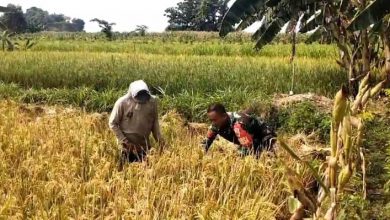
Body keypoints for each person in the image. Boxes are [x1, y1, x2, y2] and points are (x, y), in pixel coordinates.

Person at [109, 80, 163, 168]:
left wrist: (160, 141)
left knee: (144, 172)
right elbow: (113, 123)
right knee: (125, 172)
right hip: (126, 146)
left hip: (143, 145)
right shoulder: (122, 103)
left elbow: (154, 123)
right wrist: (125, 141)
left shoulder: (152, 102)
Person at [202, 103, 276, 156]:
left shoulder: (239, 124)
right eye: (211, 120)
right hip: (249, 139)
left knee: (267, 157)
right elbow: (205, 143)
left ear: (224, 116)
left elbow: (248, 149)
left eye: (214, 120)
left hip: (265, 136)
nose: (212, 123)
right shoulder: (216, 125)